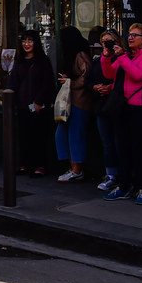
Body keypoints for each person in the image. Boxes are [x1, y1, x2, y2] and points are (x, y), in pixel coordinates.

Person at [101, 23, 142, 204]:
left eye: (135, 35)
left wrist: (122, 57)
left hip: (141, 108)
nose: (130, 37)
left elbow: (138, 75)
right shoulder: (126, 56)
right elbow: (109, 73)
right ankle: (124, 186)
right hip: (122, 108)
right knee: (122, 149)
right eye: (129, 34)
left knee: (140, 149)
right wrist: (106, 56)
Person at [6, 29, 55, 177]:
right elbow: (13, 80)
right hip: (22, 104)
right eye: (24, 41)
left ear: (36, 43)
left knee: (38, 136)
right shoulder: (19, 61)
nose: (26, 44)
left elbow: (47, 83)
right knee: (24, 136)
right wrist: (9, 97)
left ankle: (40, 166)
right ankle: (25, 164)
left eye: (30, 41)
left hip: (38, 106)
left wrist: (39, 101)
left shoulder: (42, 61)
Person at [55, 26, 93, 183]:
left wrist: (69, 81)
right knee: (62, 133)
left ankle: (77, 169)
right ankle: (73, 167)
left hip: (80, 101)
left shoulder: (80, 55)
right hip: (70, 101)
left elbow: (88, 76)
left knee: (75, 134)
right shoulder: (71, 55)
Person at [88, 28, 122, 193]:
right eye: (104, 42)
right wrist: (95, 87)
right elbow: (89, 81)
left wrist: (111, 87)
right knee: (107, 142)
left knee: (119, 141)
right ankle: (111, 174)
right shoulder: (96, 61)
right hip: (101, 105)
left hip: (118, 105)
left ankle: (124, 175)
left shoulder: (122, 58)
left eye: (110, 41)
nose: (107, 45)